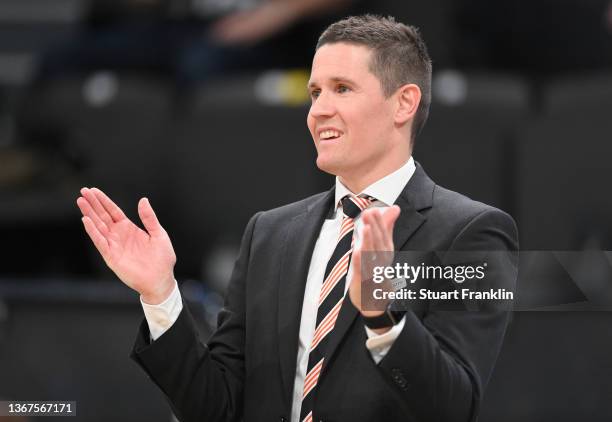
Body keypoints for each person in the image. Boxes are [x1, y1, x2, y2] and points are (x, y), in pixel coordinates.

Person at [76, 15, 518, 422]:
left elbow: (453, 408)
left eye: (342, 88)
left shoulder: (473, 235)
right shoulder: (268, 234)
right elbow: (217, 408)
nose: (318, 110)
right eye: (315, 92)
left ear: (403, 103)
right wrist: (160, 296)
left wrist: (384, 319)